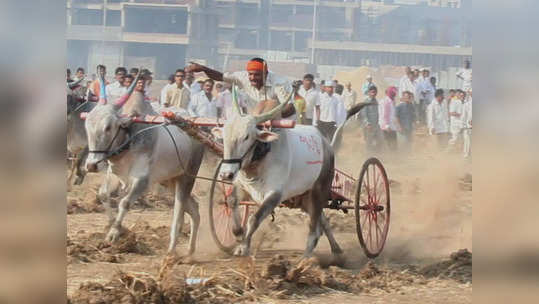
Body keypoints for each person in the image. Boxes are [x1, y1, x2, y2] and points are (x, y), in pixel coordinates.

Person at [186, 57, 295, 117]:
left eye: (257, 74)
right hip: (253, 122)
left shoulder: (279, 83)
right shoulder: (242, 77)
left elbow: (290, 108)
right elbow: (220, 76)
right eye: (250, 74)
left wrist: (270, 116)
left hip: (277, 123)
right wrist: (204, 69)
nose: (252, 78)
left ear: (265, 74)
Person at [359, 86, 381, 153]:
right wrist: (367, 124)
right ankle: (368, 156)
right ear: (368, 93)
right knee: (369, 142)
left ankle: (375, 155)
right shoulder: (366, 102)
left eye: (375, 92)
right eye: (372, 92)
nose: (373, 94)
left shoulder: (376, 102)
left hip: (376, 125)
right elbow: (364, 114)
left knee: (377, 141)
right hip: (368, 126)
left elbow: (378, 113)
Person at [379, 86, 398, 151]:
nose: (394, 95)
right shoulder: (386, 102)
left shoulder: (392, 101)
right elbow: (385, 115)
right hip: (387, 127)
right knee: (389, 144)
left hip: (392, 126)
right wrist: (387, 126)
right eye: (393, 93)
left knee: (393, 144)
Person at [461, 90, 472, 159]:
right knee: (467, 144)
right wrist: (463, 127)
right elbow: (463, 117)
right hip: (469, 127)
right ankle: (466, 157)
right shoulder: (467, 104)